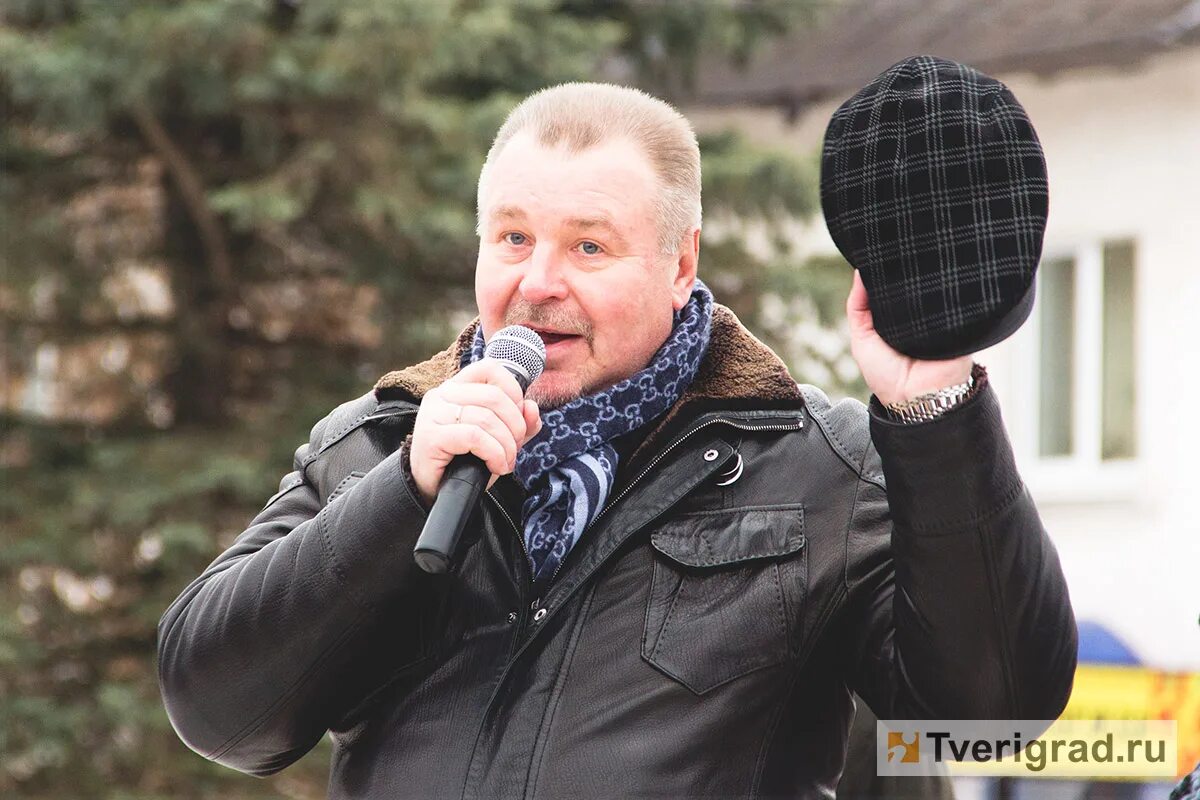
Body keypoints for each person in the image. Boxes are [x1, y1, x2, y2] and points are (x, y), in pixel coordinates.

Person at [157, 82, 1078, 798]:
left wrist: (934, 413)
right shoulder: (381, 446)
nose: (538, 282)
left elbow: (991, 713)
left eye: (589, 247)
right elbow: (221, 714)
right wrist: (402, 493)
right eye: (512, 238)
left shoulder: (824, 468)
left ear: (680, 264)